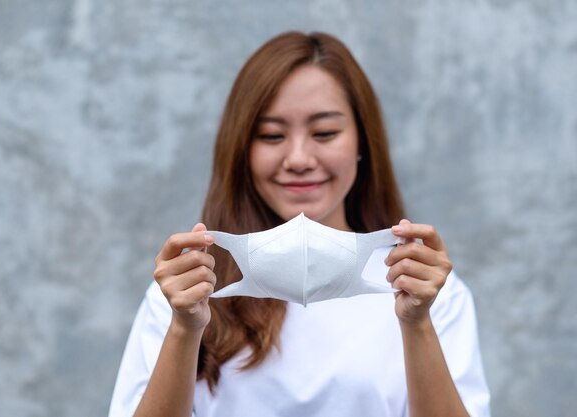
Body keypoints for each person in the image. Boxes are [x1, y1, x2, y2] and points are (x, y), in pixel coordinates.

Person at [108, 31, 490, 417]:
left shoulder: (425, 291)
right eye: (272, 135)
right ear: (242, 149)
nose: (299, 158)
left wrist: (417, 323)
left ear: (362, 143)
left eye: (324, 133)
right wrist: (185, 328)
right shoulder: (187, 292)